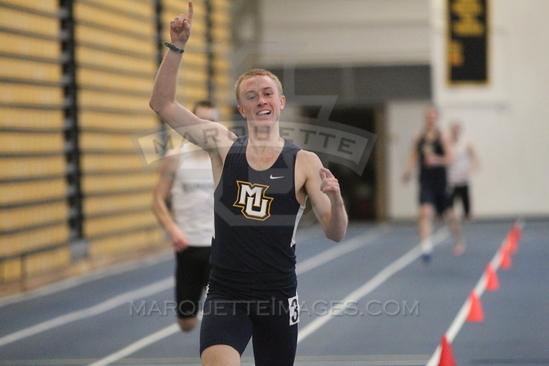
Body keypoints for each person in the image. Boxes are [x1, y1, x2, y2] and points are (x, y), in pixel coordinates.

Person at [149, 3, 348, 366]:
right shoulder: (222, 145)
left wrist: (335, 201)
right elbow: (161, 103)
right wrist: (176, 47)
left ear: (281, 102)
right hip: (228, 292)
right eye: (251, 96)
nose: (261, 100)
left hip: (277, 294)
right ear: (241, 109)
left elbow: (335, 233)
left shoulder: (304, 162)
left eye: (268, 93)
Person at [152, 100, 219, 333]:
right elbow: (157, 200)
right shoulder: (176, 157)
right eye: (200, 120)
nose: (206, 126)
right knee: (186, 323)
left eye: (211, 121)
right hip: (187, 246)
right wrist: (173, 229)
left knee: (221, 315)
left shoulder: (223, 159)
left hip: (218, 247)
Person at [402, 106, 465, 261]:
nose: (430, 119)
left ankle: (458, 239)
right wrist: (408, 171)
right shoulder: (419, 137)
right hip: (425, 182)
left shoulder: (443, 137)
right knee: (425, 212)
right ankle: (426, 246)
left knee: (450, 216)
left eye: (433, 117)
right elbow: (413, 156)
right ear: (425, 118)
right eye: (428, 117)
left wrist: (436, 160)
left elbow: (451, 159)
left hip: (441, 183)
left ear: (437, 118)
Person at [448, 121, 479, 221]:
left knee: (466, 208)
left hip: (463, 178)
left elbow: (475, 158)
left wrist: (471, 169)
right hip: (451, 179)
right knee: (449, 206)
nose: (455, 131)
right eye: (453, 129)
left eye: (457, 129)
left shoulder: (466, 143)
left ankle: (467, 219)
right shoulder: (447, 143)